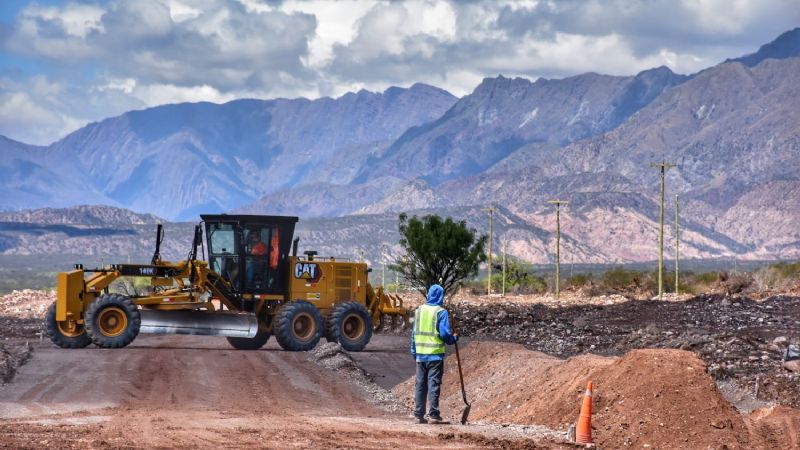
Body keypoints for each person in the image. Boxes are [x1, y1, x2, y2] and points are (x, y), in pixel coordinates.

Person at [410, 283, 457, 424]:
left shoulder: (418, 311)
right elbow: (444, 334)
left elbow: (414, 333)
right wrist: (453, 339)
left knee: (420, 384)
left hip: (420, 354)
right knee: (433, 384)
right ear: (440, 296)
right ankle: (434, 415)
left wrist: (414, 350)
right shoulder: (440, 312)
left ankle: (418, 414)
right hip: (435, 355)